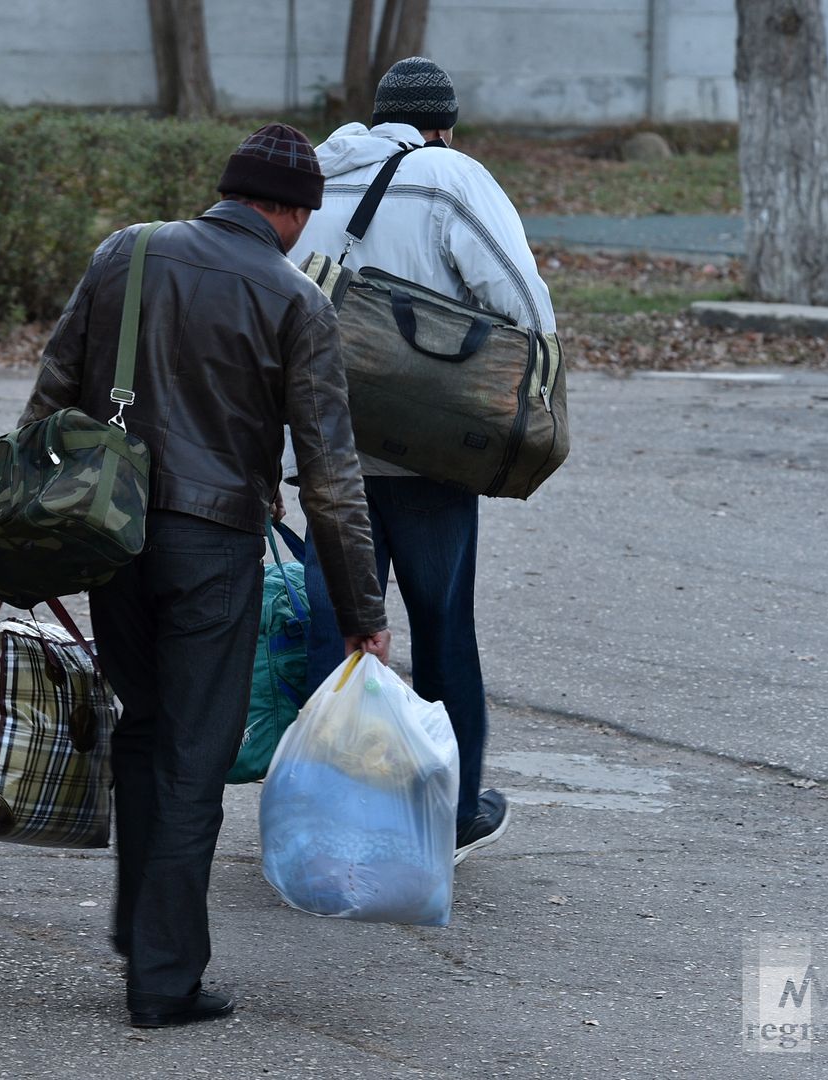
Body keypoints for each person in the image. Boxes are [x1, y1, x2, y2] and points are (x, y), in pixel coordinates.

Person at [18, 123, 390, 1029]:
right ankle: (164, 981)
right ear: (293, 212)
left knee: (143, 734)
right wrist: (359, 611)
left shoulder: (127, 253)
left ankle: (139, 934)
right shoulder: (294, 301)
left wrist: (39, 530)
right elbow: (331, 477)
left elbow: (50, 395)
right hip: (214, 549)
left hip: (115, 539)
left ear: (225, 193)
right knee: (192, 761)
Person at [286, 56, 557, 867]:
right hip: (429, 458)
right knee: (441, 631)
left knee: (332, 636)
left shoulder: (314, 179)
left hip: (326, 454)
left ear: (375, 118)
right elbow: (523, 306)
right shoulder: (446, 176)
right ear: (442, 123)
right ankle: (450, 813)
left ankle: (321, 812)